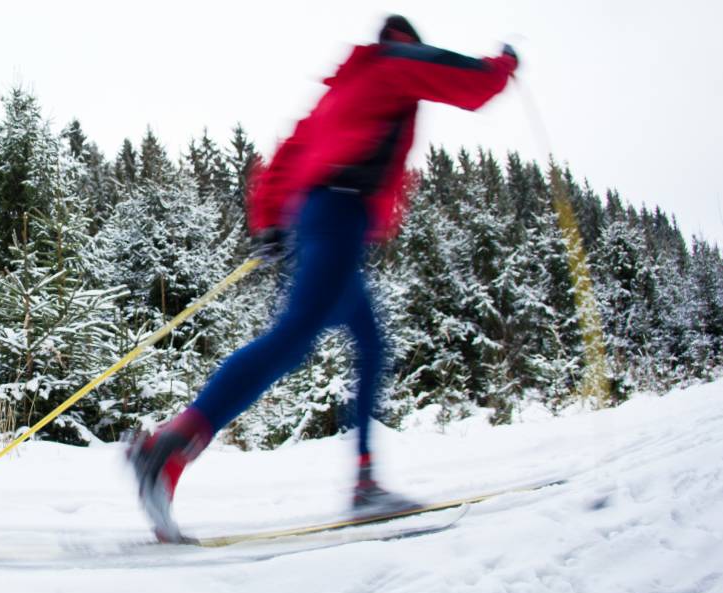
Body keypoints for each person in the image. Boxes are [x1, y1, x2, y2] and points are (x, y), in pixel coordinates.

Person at [127, 15, 519, 542]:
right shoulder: (397, 62)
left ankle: (363, 482)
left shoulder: (344, 87)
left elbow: (287, 154)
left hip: (317, 223)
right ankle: (169, 451)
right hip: (337, 217)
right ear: (407, 44)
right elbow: (473, 82)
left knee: (370, 343)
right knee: (291, 341)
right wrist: (506, 64)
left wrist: (268, 223)